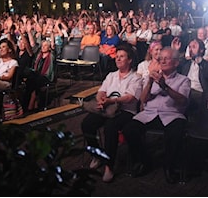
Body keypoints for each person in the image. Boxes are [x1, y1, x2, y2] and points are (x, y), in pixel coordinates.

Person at [123, 47, 191, 184]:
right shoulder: (153, 78)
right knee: (129, 129)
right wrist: (149, 81)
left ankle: (169, 167)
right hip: (150, 114)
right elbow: (143, 99)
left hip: (172, 115)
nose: (163, 61)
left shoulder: (184, 80)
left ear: (176, 63)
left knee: (176, 132)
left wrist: (164, 86)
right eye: (161, 59)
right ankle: (144, 160)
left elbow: (183, 100)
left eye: (167, 58)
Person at [81, 44, 142, 183]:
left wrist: (112, 100)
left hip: (126, 111)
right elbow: (101, 91)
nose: (118, 59)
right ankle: (97, 154)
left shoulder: (136, 78)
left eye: (122, 57)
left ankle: (109, 166)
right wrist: (101, 100)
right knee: (87, 124)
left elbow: (130, 98)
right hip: (107, 108)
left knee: (110, 128)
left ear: (130, 60)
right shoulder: (111, 75)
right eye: (117, 57)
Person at [177, 39, 208, 122]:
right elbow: (175, 66)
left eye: (194, 47)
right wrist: (176, 51)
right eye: (190, 47)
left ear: (201, 50)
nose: (191, 49)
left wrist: (199, 61)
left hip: (199, 93)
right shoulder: (186, 63)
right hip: (185, 91)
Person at [23, 40, 55, 112]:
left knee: (34, 80)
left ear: (49, 48)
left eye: (45, 45)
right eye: (42, 45)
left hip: (46, 76)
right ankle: (33, 103)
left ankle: (31, 103)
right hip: (37, 75)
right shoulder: (39, 55)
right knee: (30, 79)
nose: (43, 47)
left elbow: (48, 72)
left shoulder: (51, 56)